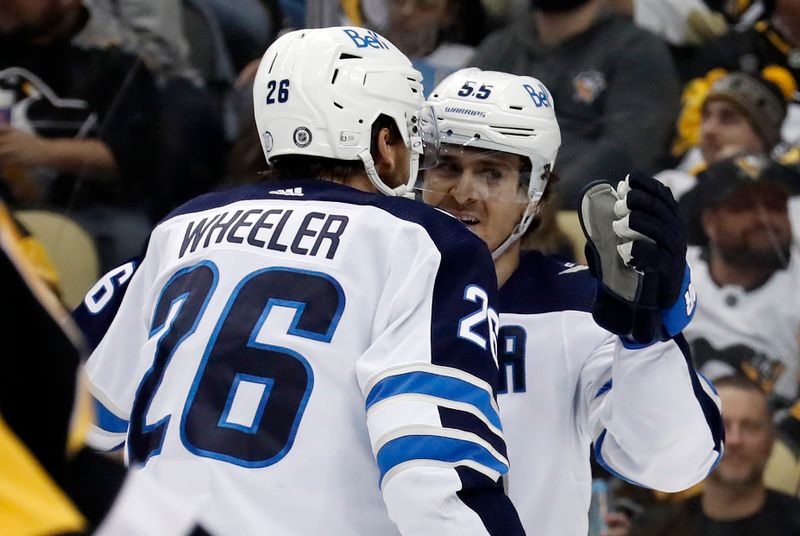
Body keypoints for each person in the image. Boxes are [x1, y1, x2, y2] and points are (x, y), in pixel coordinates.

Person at [77, 27, 524, 535]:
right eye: (408, 133)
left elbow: (88, 419)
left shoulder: (180, 228)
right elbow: (433, 474)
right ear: (383, 142)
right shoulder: (426, 241)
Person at [418, 67, 724, 535]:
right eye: (447, 166)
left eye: (491, 173)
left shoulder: (582, 307)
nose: (463, 193)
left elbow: (672, 464)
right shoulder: (370, 288)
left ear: (535, 197)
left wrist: (647, 338)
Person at [469, 0, 681, 208]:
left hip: (575, 214)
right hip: (483, 195)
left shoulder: (638, 50)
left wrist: (541, 200)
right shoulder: (499, 48)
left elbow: (627, 150)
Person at [678, 155, 800, 405]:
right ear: (709, 221)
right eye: (744, 206)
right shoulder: (668, 274)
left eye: (775, 205)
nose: (763, 218)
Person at [648, 375, 800, 535]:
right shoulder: (656, 529)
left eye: (750, 427)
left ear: (771, 442)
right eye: (721, 426)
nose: (734, 440)